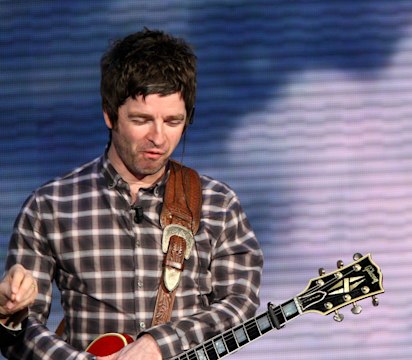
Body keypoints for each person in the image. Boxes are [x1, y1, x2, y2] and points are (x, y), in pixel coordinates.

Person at [1, 29, 263, 359]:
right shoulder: (49, 206)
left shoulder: (218, 203)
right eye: (141, 119)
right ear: (109, 115)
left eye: (173, 121)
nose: (159, 137)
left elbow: (239, 303)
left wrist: (159, 343)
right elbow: (18, 332)